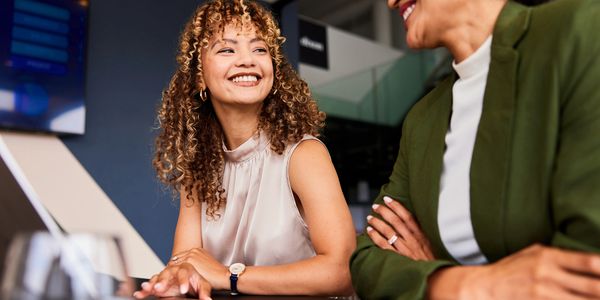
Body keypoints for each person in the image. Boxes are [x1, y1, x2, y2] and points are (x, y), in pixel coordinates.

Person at [350, 0, 600, 299]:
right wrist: (454, 282)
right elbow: (367, 259)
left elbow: (586, 272)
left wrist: (426, 272)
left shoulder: (581, 30)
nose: (390, 2)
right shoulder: (423, 118)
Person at [133, 0, 356, 298]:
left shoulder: (304, 155)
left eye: (260, 49)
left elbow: (343, 271)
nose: (247, 60)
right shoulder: (199, 169)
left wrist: (229, 276)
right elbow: (186, 262)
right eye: (227, 49)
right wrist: (177, 278)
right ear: (199, 75)